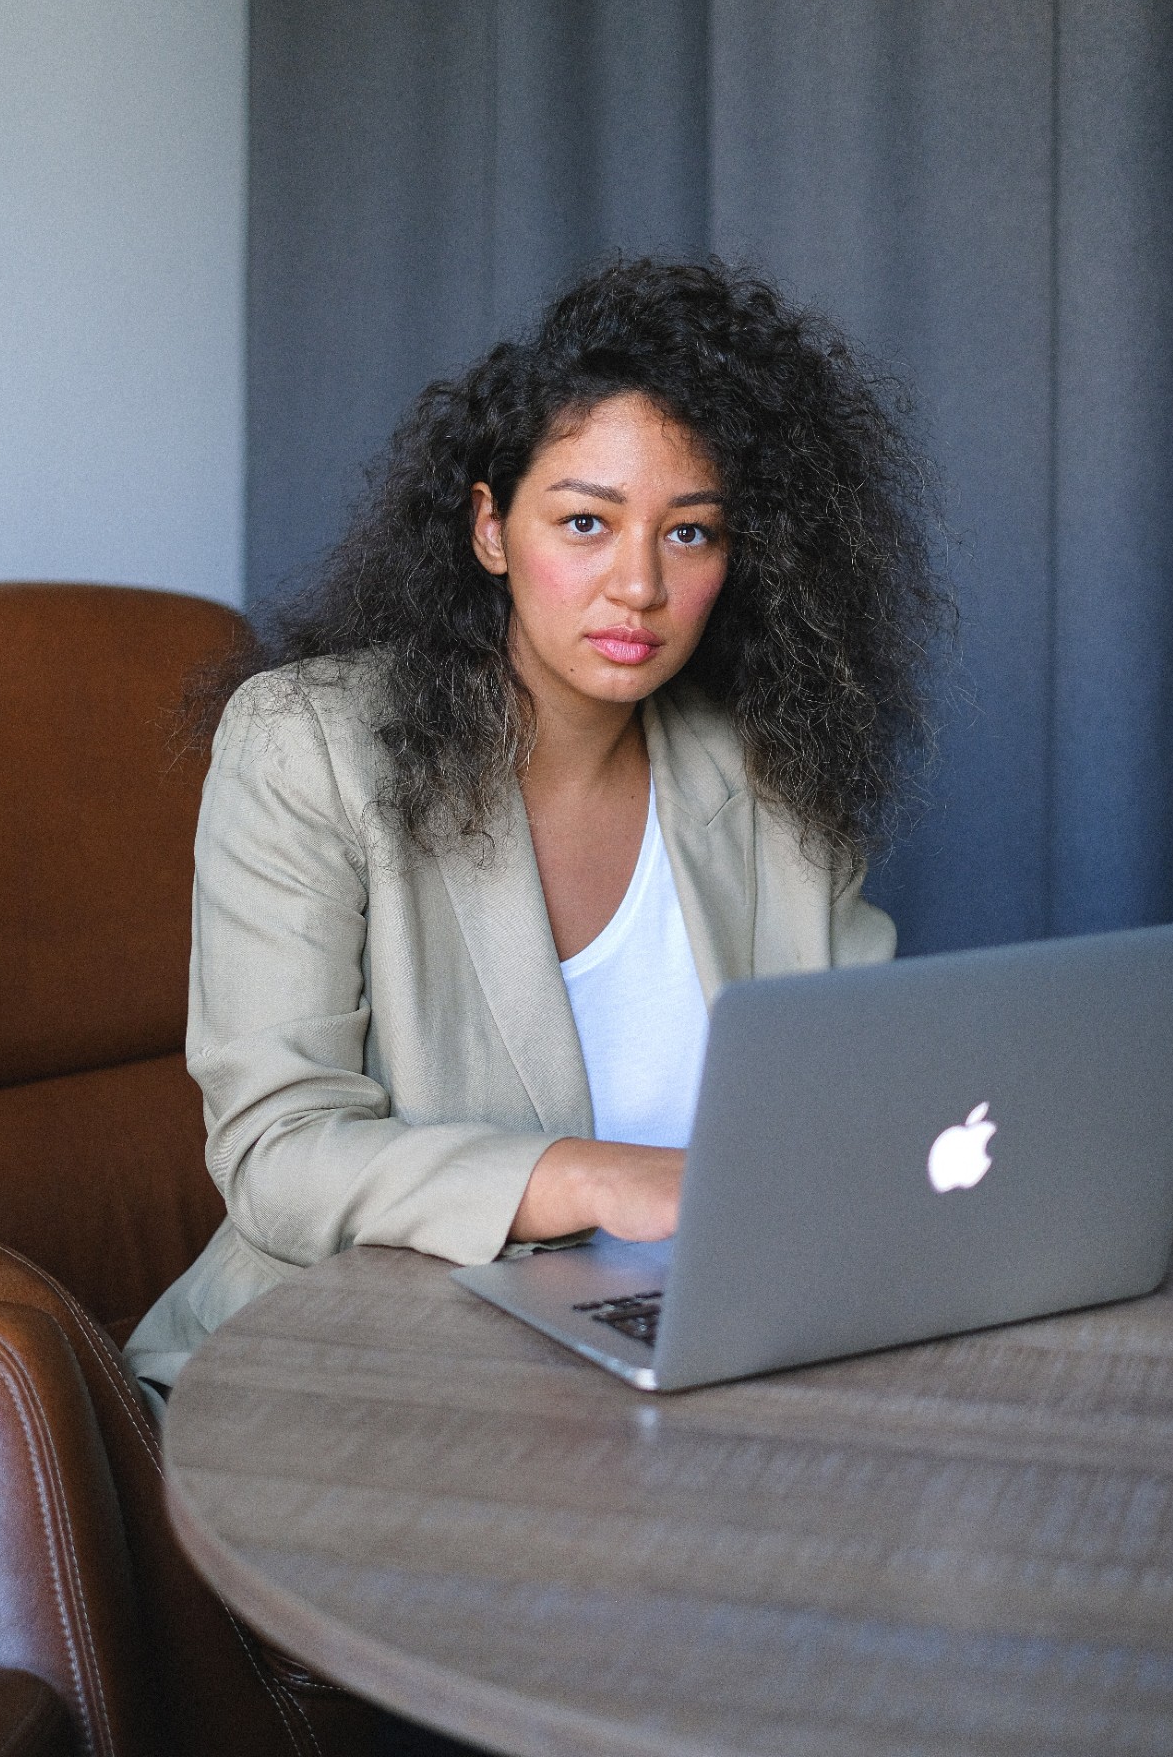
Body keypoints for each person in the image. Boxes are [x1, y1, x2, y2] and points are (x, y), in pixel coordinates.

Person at [125, 257, 949, 1404]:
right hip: (343, 1375)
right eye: (583, 521)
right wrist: (602, 1182)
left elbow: (861, 1083)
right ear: (490, 529)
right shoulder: (307, 745)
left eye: (690, 534)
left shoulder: (768, 769)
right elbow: (278, 1155)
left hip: (669, 1356)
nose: (636, 587)